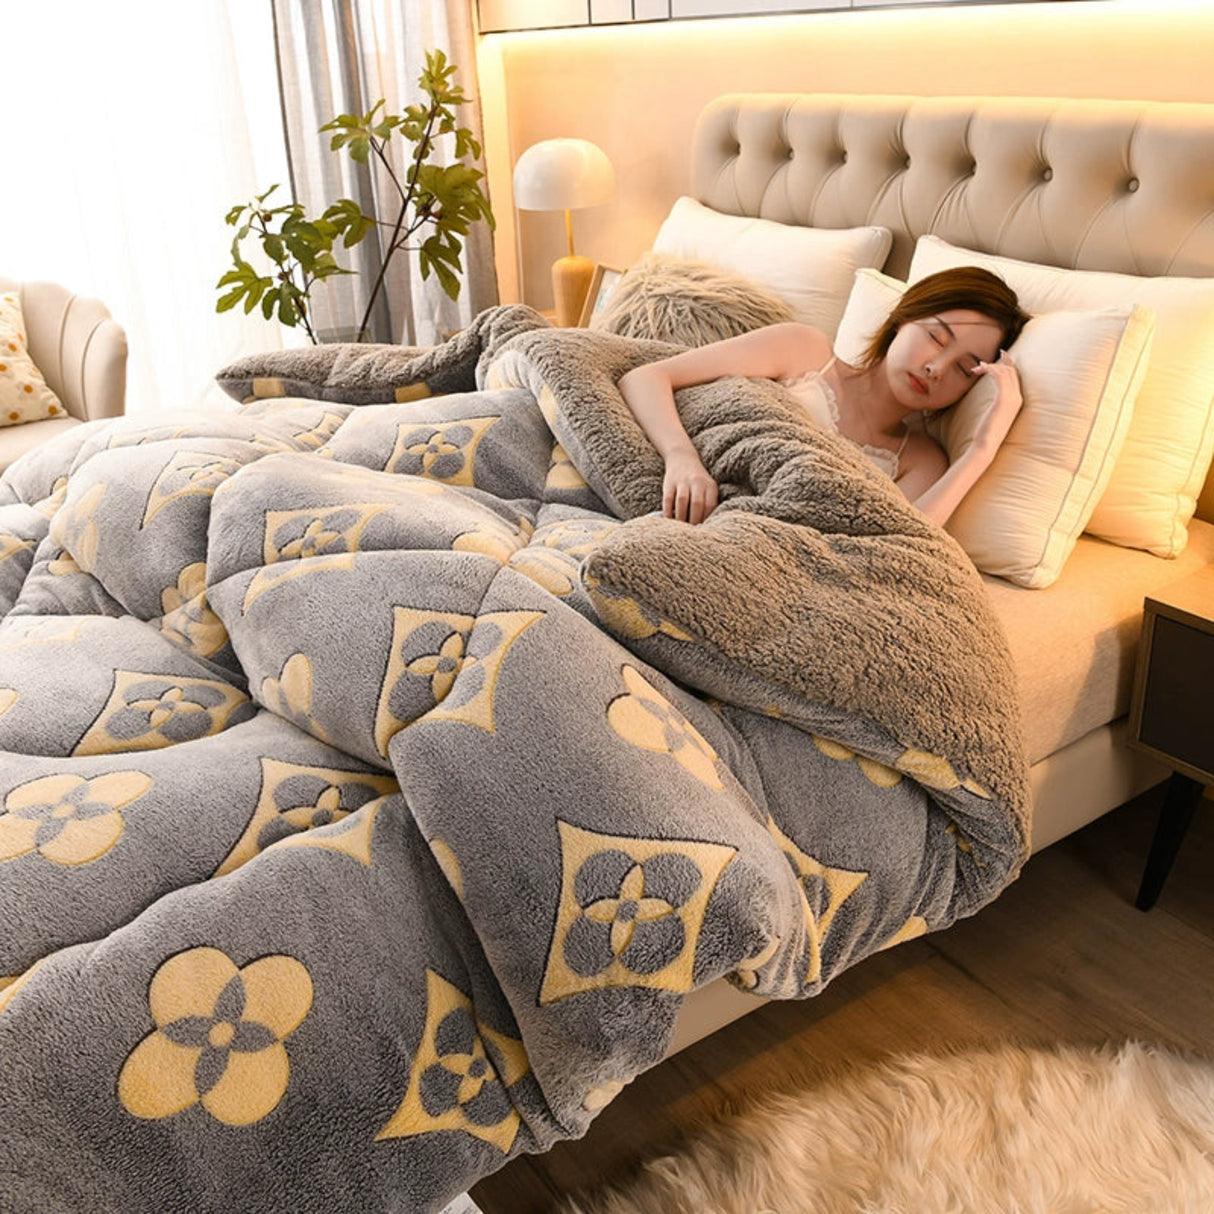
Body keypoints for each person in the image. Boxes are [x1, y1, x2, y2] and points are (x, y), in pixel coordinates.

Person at [617, 266, 1030, 527]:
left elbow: (906, 546)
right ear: (903, 319)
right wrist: (682, 459)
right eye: (936, 337)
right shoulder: (805, 352)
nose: (936, 368)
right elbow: (646, 378)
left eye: (963, 368)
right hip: (674, 504)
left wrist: (981, 447)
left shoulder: (919, 461)